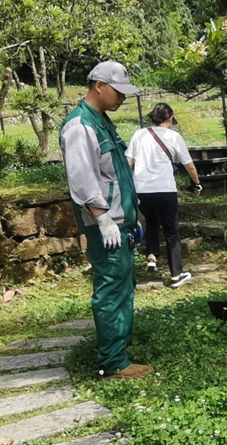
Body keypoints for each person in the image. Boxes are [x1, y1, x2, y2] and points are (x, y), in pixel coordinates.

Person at [59, 60, 154, 380]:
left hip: (120, 222)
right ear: (99, 86)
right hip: (106, 225)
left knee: (124, 285)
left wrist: (132, 214)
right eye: (118, 92)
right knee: (112, 288)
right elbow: (82, 178)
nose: (123, 99)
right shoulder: (79, 126)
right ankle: (113, 362)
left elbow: (116, 174)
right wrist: (103, 219)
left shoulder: (101, 120)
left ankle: (119, 350)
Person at [125, 103, 202, 288]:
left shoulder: (139, 134)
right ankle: (176, 274)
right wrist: (197, 183)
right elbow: (189, 165)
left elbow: (128, 162)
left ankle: (151, 256)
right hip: (165, 190)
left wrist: (127, 186)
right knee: (171, 231)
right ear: (170, 117)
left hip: (141, 190)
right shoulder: (174, 137)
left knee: (152, 222)